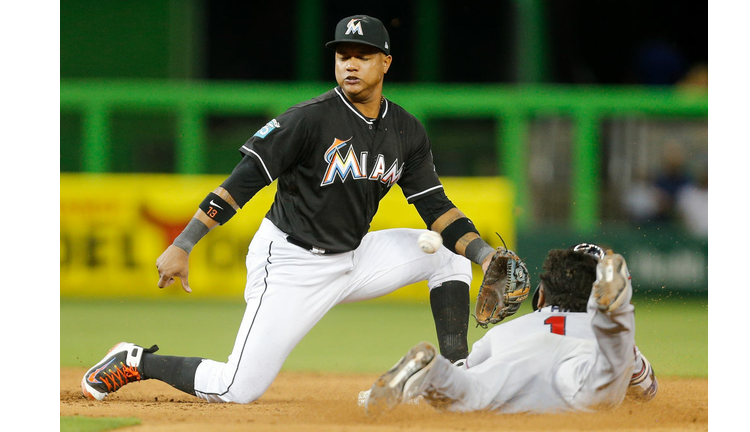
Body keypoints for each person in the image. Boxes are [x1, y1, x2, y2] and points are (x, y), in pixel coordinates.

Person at [81, 15, 508, 404]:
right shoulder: (308, 119)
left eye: (363, 56)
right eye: (343, 55)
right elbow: (240, 184)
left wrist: (485, 255)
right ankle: (134, 360)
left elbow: (436, 207)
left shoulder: (406, 130)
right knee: (236, 389)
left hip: (355, 257)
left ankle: (456, 374)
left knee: (450, 255)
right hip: (291, 262)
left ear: (386, 64)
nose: (350, 64)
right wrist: (184, 243)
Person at [364, 244, 659, 415]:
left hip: (514, 358)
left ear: (541, 295)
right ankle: (614, 315)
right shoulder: (606, 342)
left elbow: (466, 371)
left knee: (467, 392)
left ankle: (432, 370)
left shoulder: (505, 332)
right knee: (605, 382)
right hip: (582, 362)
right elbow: (645, 391)